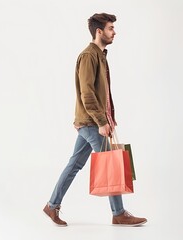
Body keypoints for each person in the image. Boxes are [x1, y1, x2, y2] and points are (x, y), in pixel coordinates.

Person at [43, 13, 147, 227]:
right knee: (112, 163)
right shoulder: (89, 56)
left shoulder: (100, 55)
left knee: (75, 164)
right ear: (99, 31)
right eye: (110, 28)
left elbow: (102, 94)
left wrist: (109, 118)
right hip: (92, 123)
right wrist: (101, 121)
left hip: (90, 122)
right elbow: (87, 94)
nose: (114, 32)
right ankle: (118, 213)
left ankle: (52, 206)